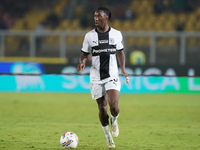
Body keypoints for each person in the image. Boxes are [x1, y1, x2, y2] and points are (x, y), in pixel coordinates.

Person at [77, 7, 129, 148]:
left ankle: (115, 120)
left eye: (99, 16)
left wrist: (123, 69)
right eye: (94, 16)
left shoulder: (117, 34)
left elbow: (120, 52)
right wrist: (82, 62)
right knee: (102, 108)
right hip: (96, 76)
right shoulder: (89, 36)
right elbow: (84, 54)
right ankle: (107, 136)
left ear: (106, 18)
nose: (96, 19)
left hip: (112, 74)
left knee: (114, 107)